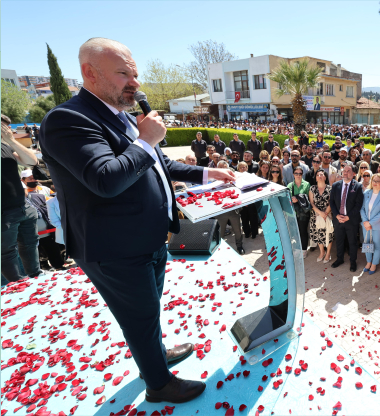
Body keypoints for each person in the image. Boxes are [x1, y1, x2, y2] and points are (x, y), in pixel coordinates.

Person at [39, 38, 237, 403]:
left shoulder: (121, 117)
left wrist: (208, 173)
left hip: (146, 239)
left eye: (135, 74)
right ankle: (159, 385)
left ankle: (155, 355)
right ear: (90, 74)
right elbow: (107, 178)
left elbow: (160, 166)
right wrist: (146, 140)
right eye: (123, 74)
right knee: (140, 316)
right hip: (114, 247)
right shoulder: (67, 120)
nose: (135, 83)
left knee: (148, 309)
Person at [1, 115, 41, 283]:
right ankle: (18, 287)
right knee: (7, 253)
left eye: (8, 127)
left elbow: (32, 162)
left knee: (30, 244)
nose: (7, 130)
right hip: (4, 213)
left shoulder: (6, 146)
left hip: (23, 207)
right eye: (4, 127)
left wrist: (11, 141)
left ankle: (36, 279)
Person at [330, 165, 364, 272]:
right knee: (339, 241)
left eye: (348, 171)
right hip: (338, 219)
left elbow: (358, 205)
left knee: (352, 242)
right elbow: (331, 202)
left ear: (354, 173)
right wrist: (336, 215)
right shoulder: (336, 185)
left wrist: (348, 217)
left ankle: (353, 262)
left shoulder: (358, 186)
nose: (345, 172)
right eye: (344, 170)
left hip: (351, 221)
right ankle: (340, 259)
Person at [360, 173, 380, 275]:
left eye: (378, 181)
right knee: (367, 244)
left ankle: (374, 263)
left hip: (377, 226)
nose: (375, 183)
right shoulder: (367, 192)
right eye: (374, 181)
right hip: (365, 224)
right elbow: (362, 208)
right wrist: (365, 221)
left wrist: (370, 223)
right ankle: (368, 262)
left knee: (377, 245)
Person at [309, 169, 334, 263]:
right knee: (318, 234)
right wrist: (320, 213)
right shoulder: (312, 188)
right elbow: (311, 203)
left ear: (325, 177)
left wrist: (325, 214)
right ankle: (322, 252)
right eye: (318, 175)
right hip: (316, 215)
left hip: (327, 215)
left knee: (328, 233)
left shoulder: (330, 189)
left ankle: (328, 253)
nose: (320, 176)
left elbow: (331, 203)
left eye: (322, 174)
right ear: (315, 178)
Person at [288, 166, 310, 257]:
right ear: (293, 174)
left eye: (300, 173)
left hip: (303, 212)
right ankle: (297, 248)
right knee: (295, 232)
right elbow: (287, 198)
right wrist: (291, 199)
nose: (298, 175)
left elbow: (308, 198)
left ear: (302, 174)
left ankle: (304, 250)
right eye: (296, 173)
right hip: (293, 212)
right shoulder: (290, 185)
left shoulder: (306, 184)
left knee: (303, 231)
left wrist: (299, 199)